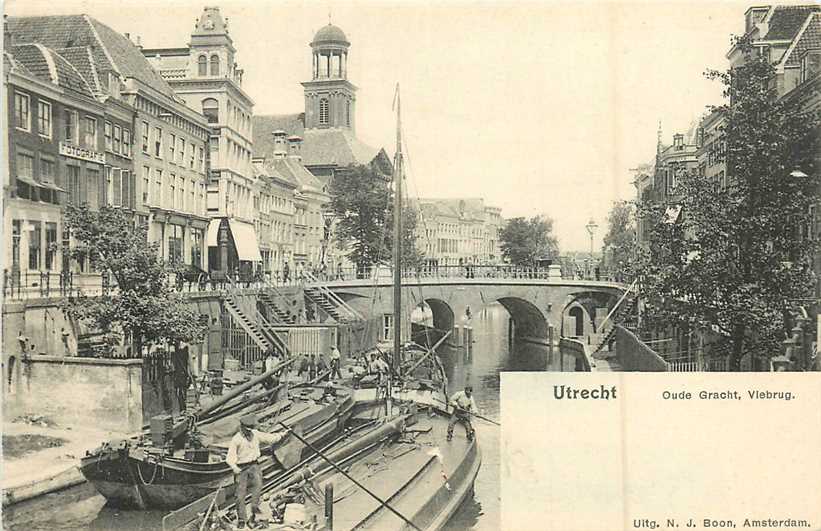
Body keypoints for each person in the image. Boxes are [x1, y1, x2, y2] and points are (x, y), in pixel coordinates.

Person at [226, 414, 286, 528]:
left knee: (258, 489)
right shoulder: (236, 439)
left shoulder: (256, 434)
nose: (249, 432)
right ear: (242, 427)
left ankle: (253, 515)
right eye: (247, 429)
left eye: (250, 429)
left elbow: (270, 438)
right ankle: (242, 519)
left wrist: (282, 434)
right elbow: (229, 458)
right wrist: (234, 468)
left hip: (254, 466)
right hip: (241, 468)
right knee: (240, 495)